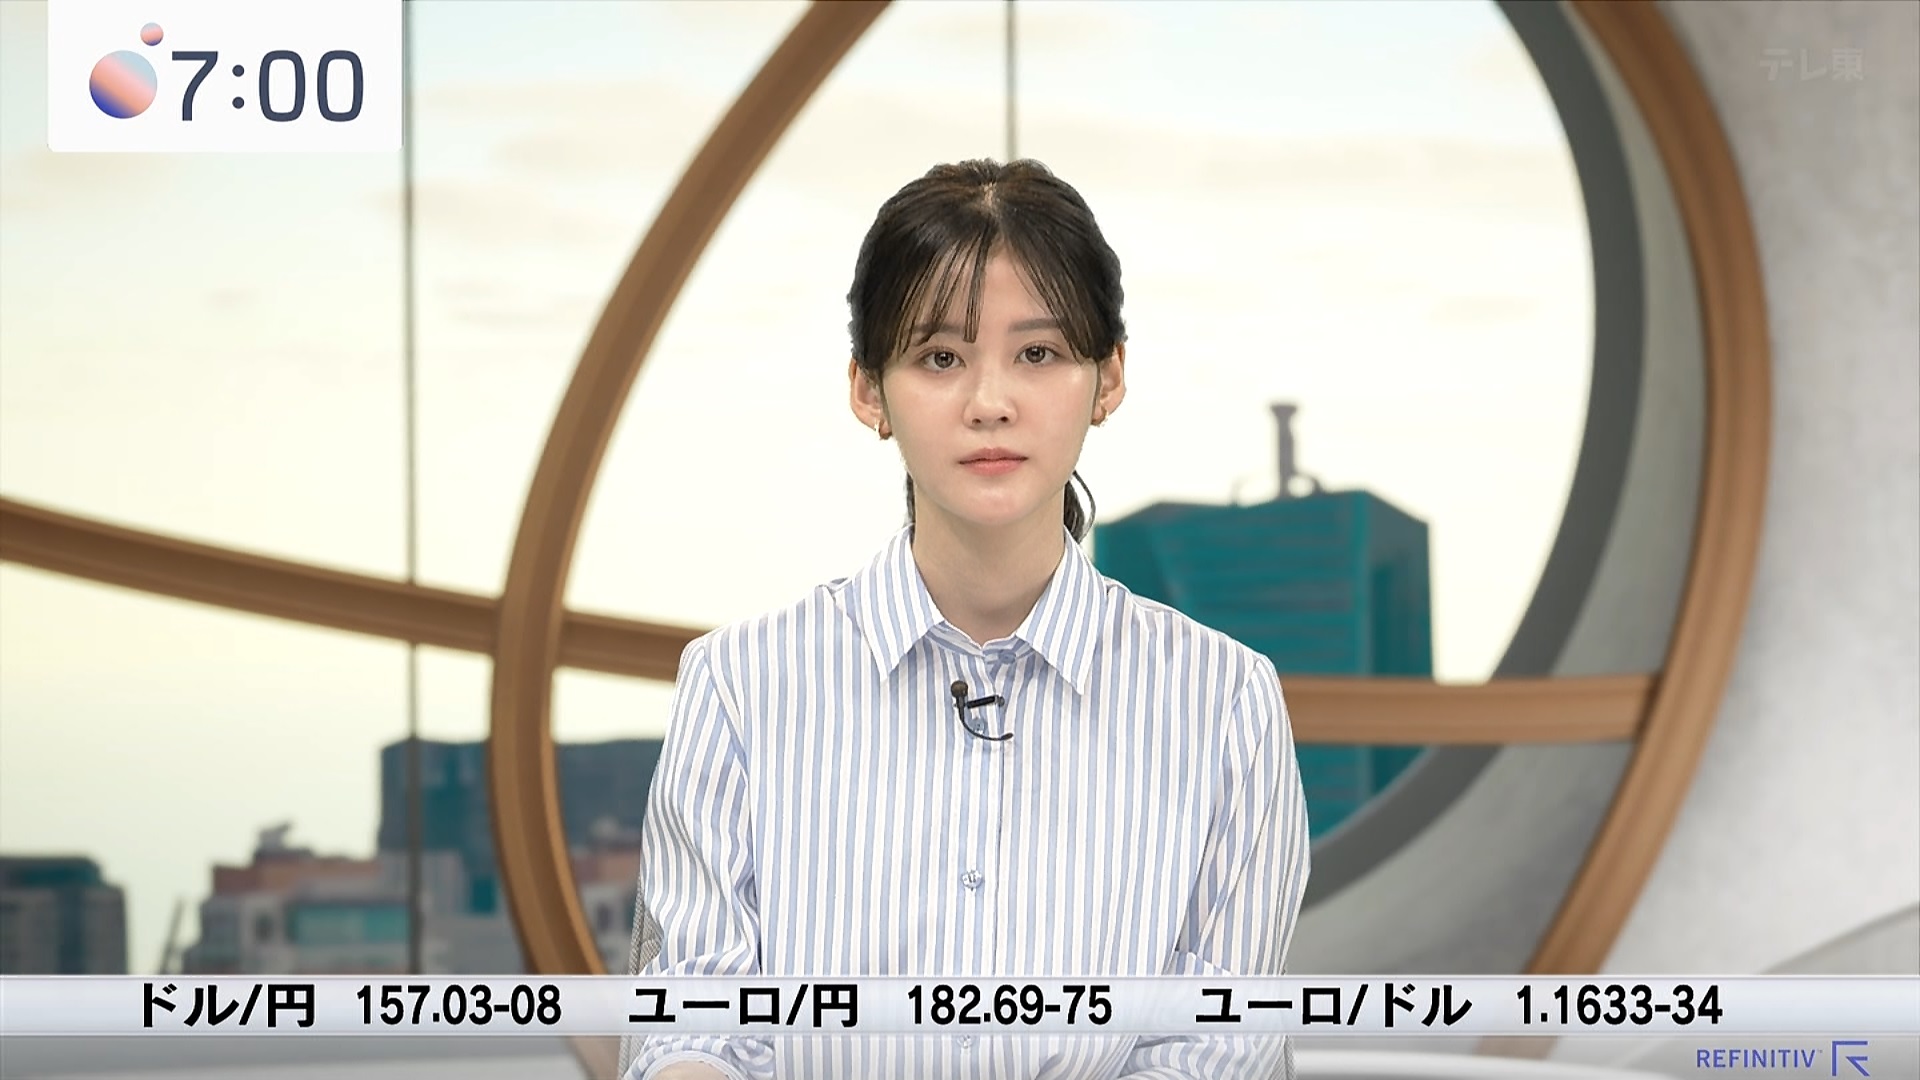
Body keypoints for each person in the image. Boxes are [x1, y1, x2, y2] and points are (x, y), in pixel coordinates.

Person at [620, 158, 1311, 1080]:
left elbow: (1215, 1049)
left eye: (1039, 354)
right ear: (868, 389)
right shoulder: (738, 685)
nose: (991, 403)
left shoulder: (1225, 702)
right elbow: (690, 1029)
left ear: (1108, 378)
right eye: (940, 358)